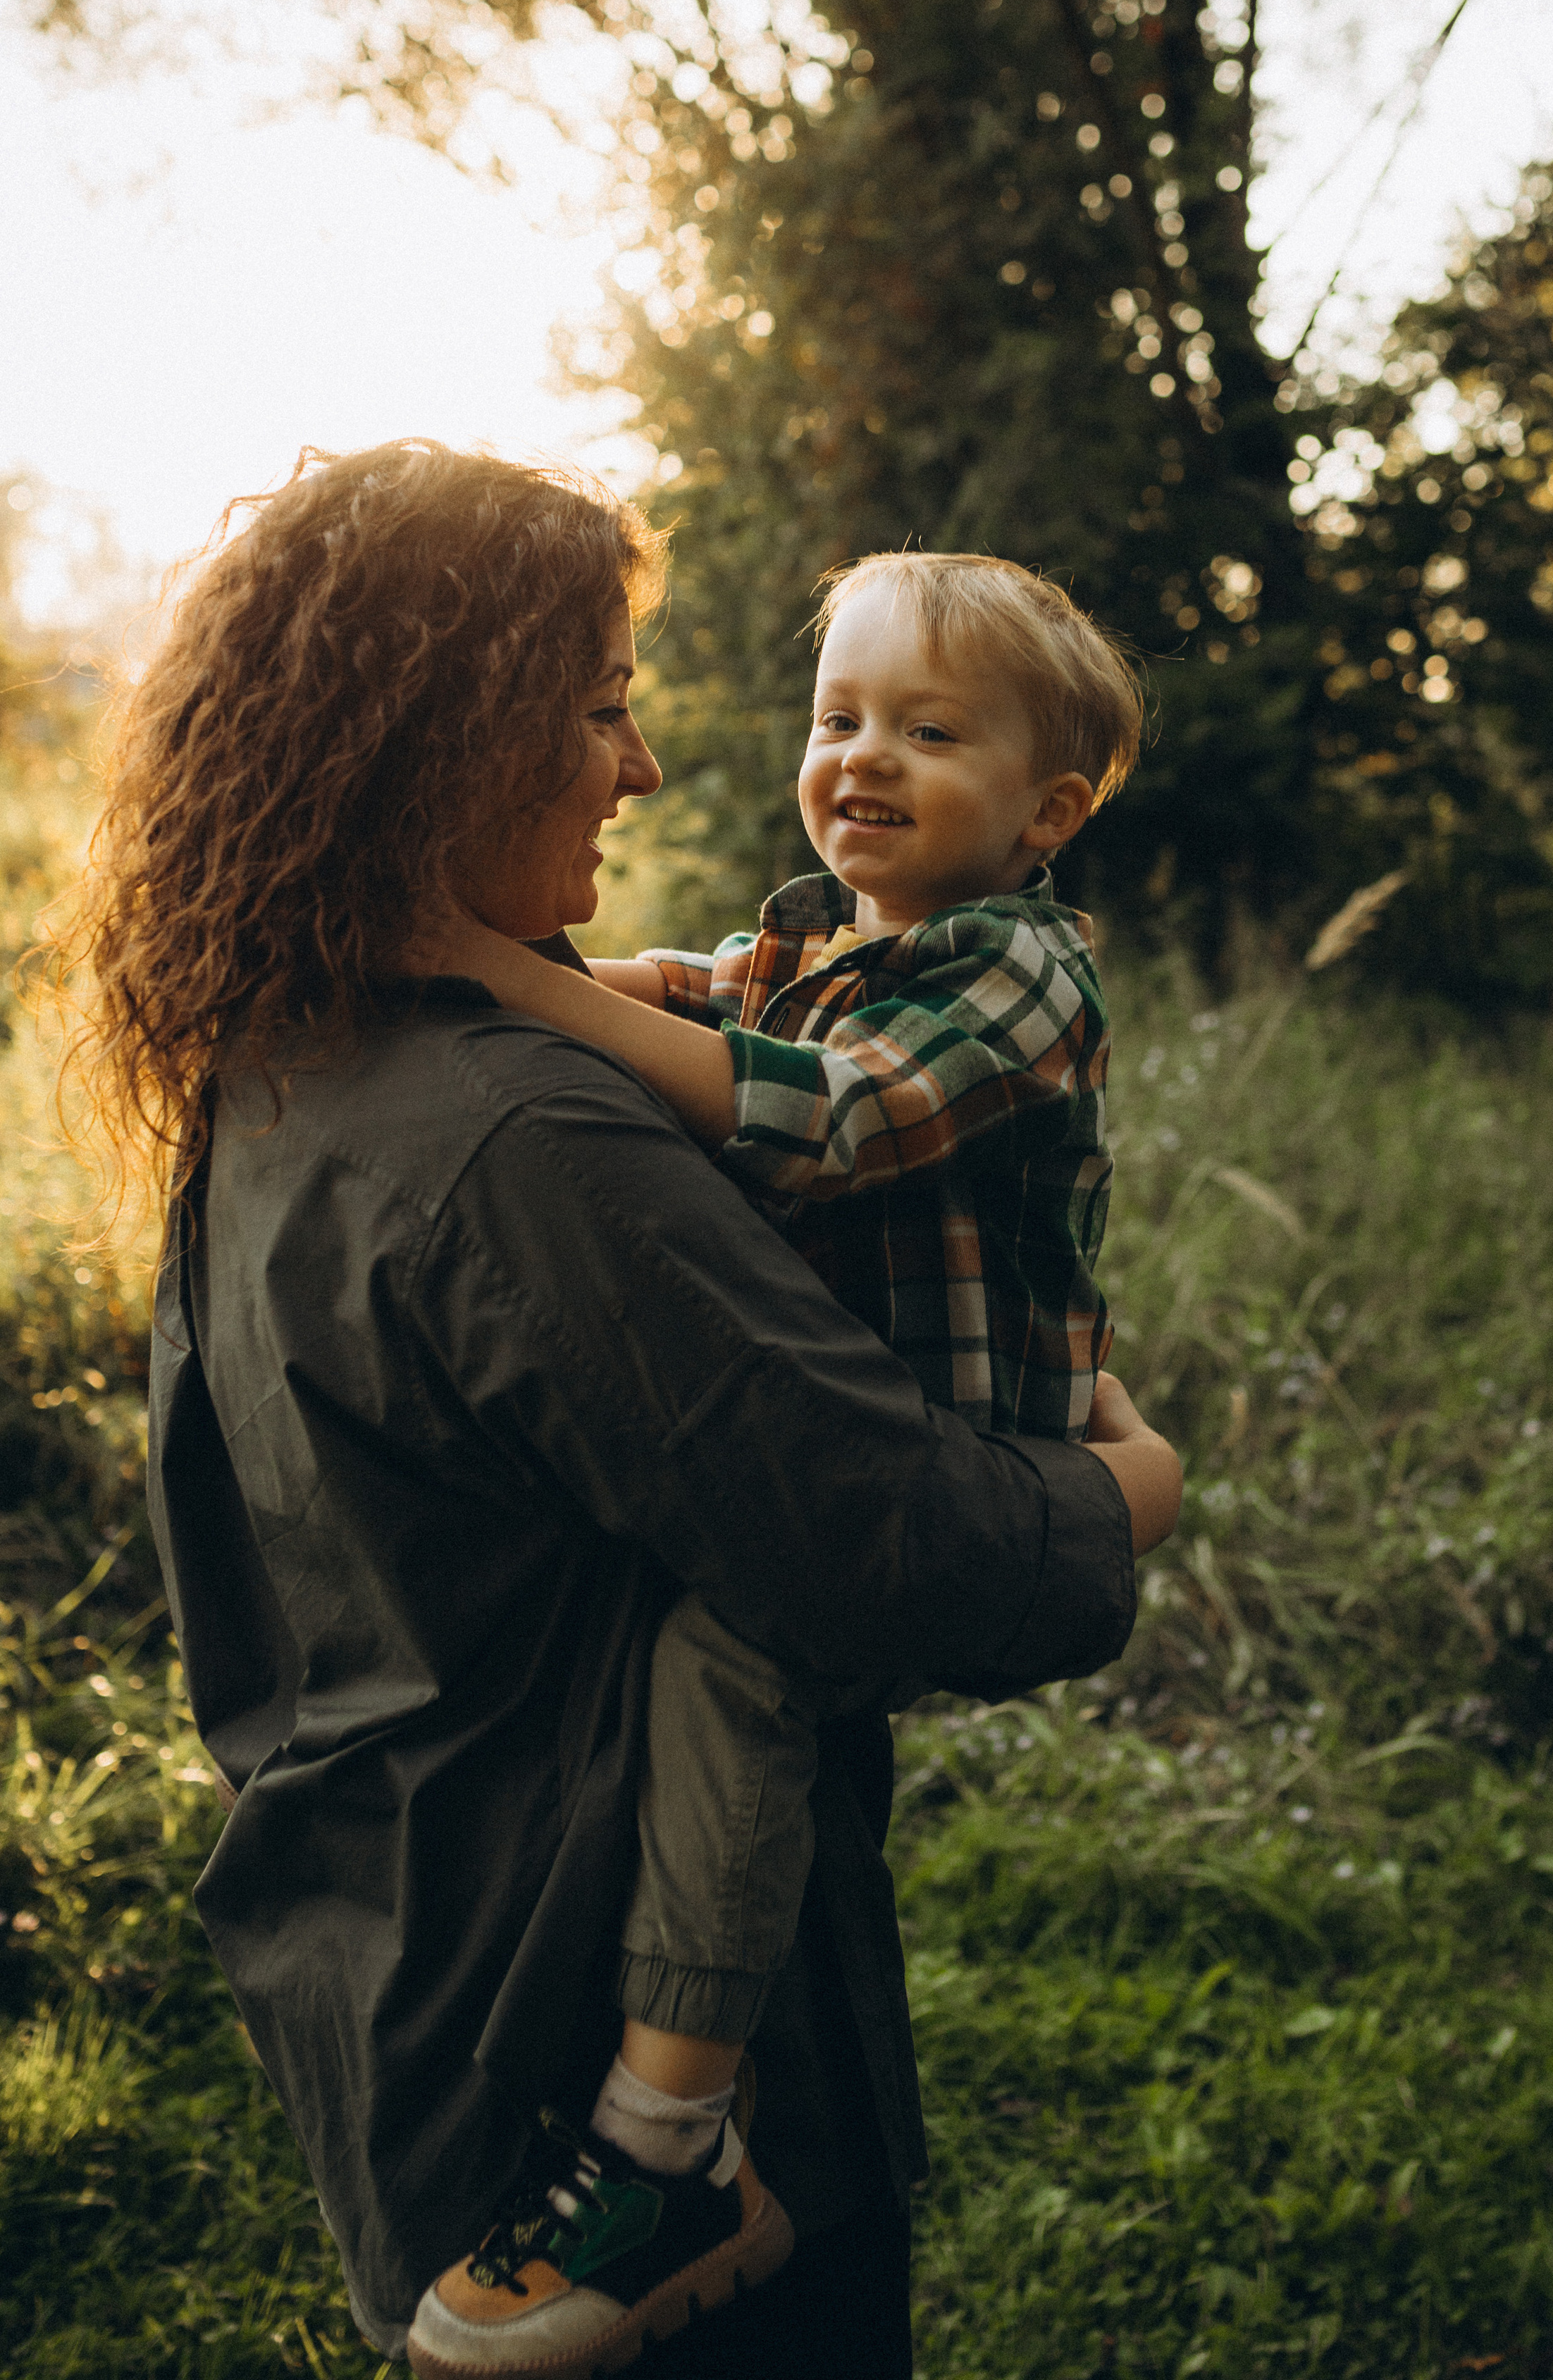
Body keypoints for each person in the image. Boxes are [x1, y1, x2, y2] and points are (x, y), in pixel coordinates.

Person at [47, 444, 1183, 2376]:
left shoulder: (281, 1052)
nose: (643, 769)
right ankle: (678, 2152)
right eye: (597, 707)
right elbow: (898, 1559)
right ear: (441, 734)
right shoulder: (524, 1138)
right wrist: (1131, 1488)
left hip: (391, 1972)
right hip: (588, 2039)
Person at [419, 551, 1146, 2371]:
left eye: (928, 730)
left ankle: (671, 2139)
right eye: (838, 719)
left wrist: (496, 977)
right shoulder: (818, 936)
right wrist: (559, 975)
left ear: (1047, 814)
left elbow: (832, 1118)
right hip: (844, 1418)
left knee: (735, 1668)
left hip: (958, 1449)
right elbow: (698, 986)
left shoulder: (1021, 972)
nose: (861, 760)